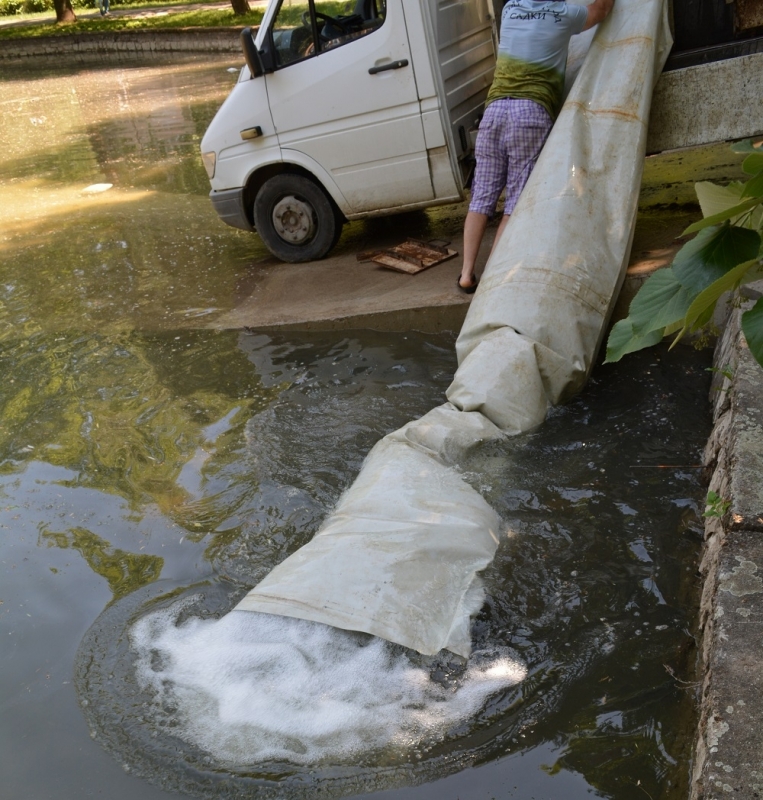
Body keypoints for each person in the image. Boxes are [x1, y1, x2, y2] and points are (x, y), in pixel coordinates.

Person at [457, 0, 614, 293]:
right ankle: (492, 277)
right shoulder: (566, 14)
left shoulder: (510, 9)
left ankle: (466, 274)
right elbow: (602, 10)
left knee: (481, 198)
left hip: (494, 112)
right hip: (530, 112)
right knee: (515, 203)